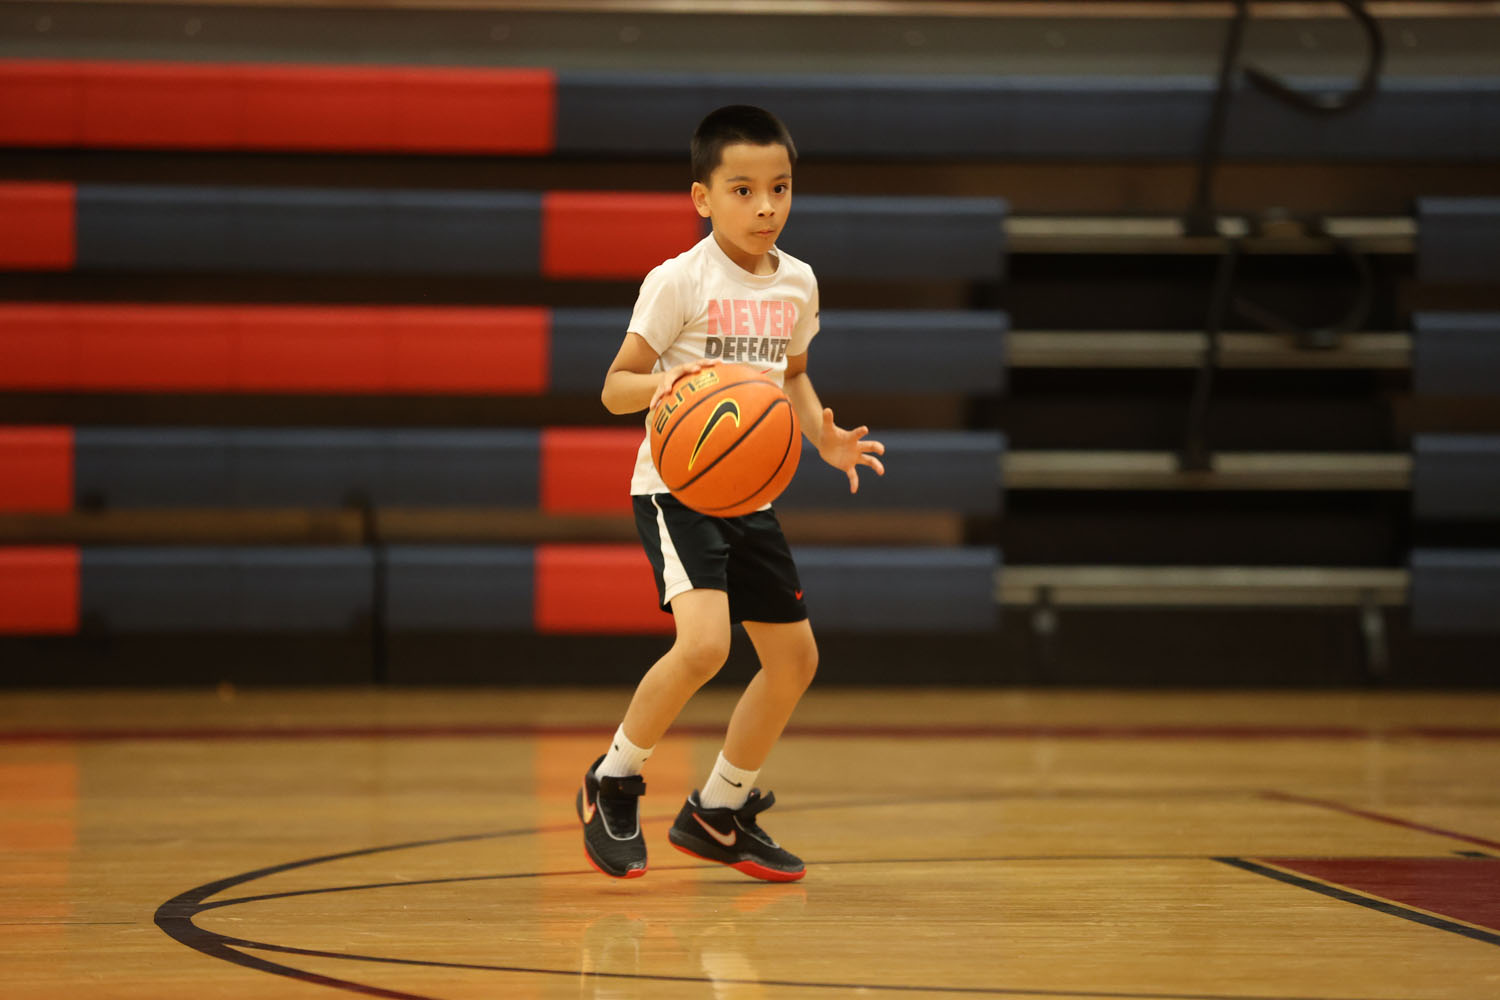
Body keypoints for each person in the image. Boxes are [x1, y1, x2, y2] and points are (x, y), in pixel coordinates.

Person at [577, 105, 886, 882]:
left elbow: (792, 380)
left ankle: (717, 810)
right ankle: (612, 777)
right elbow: (613, 388)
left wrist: (824, 437)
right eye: (743, 190)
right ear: (702, 197)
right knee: (707, 644)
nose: (765, 208)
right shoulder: (678, 280)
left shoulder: (797, 284)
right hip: (675, 490)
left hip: (751, 494)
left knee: (794, 661)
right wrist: (664, 382)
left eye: (779, 189)